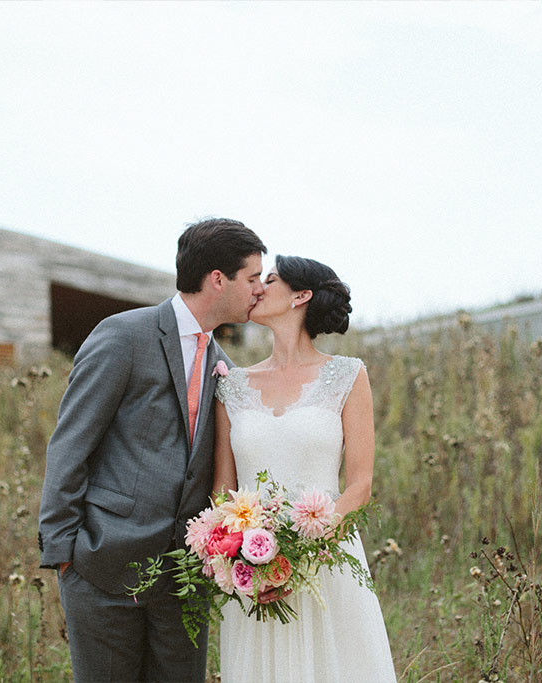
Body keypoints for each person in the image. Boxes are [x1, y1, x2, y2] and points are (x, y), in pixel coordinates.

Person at [38, 218, 266, 682]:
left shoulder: (226, 367)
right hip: (102, 567)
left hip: (184, 581)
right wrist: (64, 553)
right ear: (217, 279)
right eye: (253, 278)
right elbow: (71, 443)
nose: (259, 290)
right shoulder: (123, 336)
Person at [212, 255, 396, 682]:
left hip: (327, 562)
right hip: (252, 572)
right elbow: (223, 490)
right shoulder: (232, 386)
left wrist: (300, 556)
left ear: (301, 295)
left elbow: (360, 486)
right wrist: (247, 557)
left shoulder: (348, 376)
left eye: (270, 280)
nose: (257, 288)